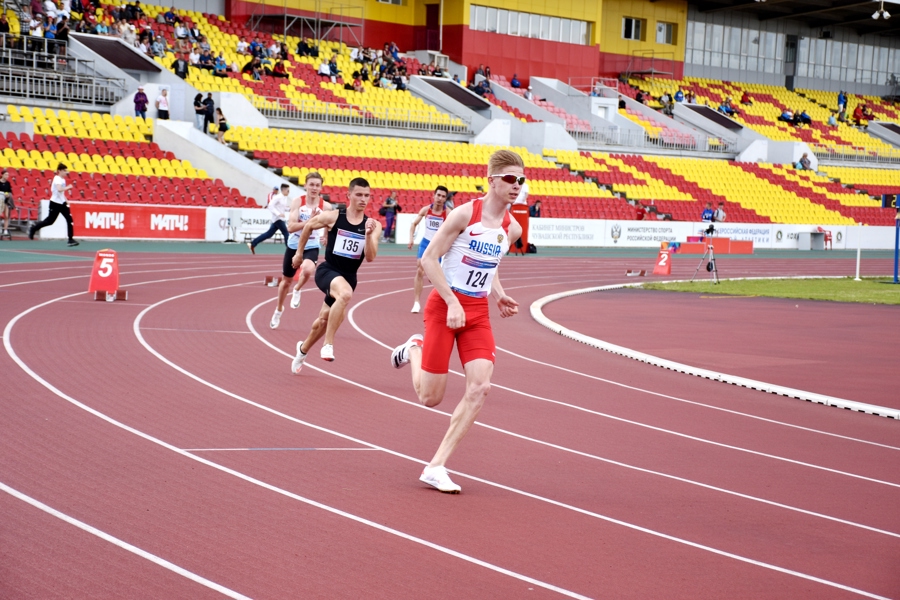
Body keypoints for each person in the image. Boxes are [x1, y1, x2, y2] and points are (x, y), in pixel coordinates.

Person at [389, 150, 524, 494]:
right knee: (430, 398)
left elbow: (489, 266)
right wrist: (451, 300)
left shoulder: (512, 228)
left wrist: (498, 294)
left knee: (480, 388)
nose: (516, 186)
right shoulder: (464, 215)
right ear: (491, 180)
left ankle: (436, 466)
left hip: (477, 313)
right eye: (510, 179)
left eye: (521, 181)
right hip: (444, 307)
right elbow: (429, 260)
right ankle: (414, 348)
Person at [291, 177, 381, 369]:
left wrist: (367, 235)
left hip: (349, 277)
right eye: (358, 194)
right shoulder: (334, 216)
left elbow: (371, 257)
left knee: (322, 321)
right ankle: (328, 344)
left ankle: (302, 350)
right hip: (328, 271)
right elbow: (308, 226)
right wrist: (299, 253)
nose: (363, 199)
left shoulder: (373, 225)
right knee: (346, 295)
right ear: (349, 195)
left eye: (366, 195)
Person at [270, 172, 333, 328]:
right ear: (305, 185)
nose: (314, 188)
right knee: (286, 282)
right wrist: (310, 222)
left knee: (307, 269)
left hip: (311, 245)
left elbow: (328, 223)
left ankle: (298, 289)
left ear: (321, 187)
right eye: (311, 184)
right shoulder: (298, 202)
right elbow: (291, 227)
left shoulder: (326, 206)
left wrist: (325, 235)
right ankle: (279, 309)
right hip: (294, 245)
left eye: (317, 185)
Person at [408, 186, 450, 313]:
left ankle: (440, 303)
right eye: (438, 195)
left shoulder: (448, 213)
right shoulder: (426, 210)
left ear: (445, 199)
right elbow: (414, 224)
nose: (440, 198)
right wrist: (411, 238)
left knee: (435, 277)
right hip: (425, 243)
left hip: (438, 246)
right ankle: (416, 302)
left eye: (443, 196)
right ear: (434, 195)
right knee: (420, 270)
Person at [29, 164, 78, 246]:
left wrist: (66, 200)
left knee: (69, 220)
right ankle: (34, 228)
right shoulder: (57, 179)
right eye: (65, 171)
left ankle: (70, 239)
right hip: (55, 203)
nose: (67, 172)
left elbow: (62, 193)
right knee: (50, 221)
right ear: (60, 171)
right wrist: (68, 187)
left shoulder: (63, 180)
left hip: (62, 203)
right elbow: (59, 189)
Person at [248, 184, 289, 254]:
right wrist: (278, 214)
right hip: (278, 219)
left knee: (269, 234)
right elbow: (270, 205)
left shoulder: (284, 198)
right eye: (288, 190)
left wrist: (289, 209)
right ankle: (290, 251)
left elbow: (282, 207)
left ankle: (253, 243)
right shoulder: (278, 197)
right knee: (286, 233)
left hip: (278, 219)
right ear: (284, 190)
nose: (289, 192)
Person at [0, 171, 12, 237]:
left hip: (5, 201)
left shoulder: (8, 183)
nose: (7, 176)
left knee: (6, 216)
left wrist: (8, 195)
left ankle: (5, 230)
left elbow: (9, 192)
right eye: (6, 175)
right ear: (2, 175)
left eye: (8, 175)